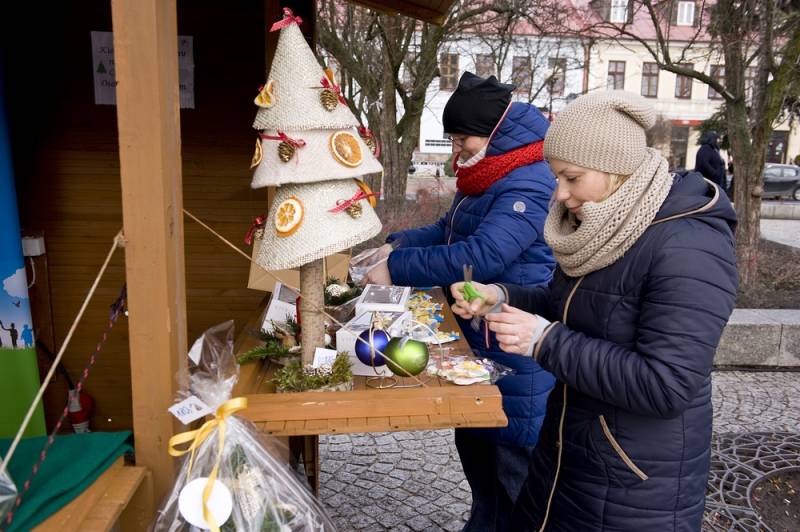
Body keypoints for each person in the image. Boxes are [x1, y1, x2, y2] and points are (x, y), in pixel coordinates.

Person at [451, 91, 738, 531]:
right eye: (557, 177)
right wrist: (501, 296)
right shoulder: (606, 226)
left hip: (632, 482)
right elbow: (571, 306)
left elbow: (667, 385)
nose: (561, 193)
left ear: (616, 168)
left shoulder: (688, 246)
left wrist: (544, 341)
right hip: (571, 453)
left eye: (572, 177)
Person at [362, 71, 556, 531]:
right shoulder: (489, 172)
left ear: (492, 132)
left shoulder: (528, 181)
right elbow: (448, 230)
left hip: (511, 344)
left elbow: (484, 254)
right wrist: (394, 246)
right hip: (479, 339)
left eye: (461, 139)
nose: (456, 150)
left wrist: (398, 269)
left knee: (513, 468)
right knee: (480, 463)